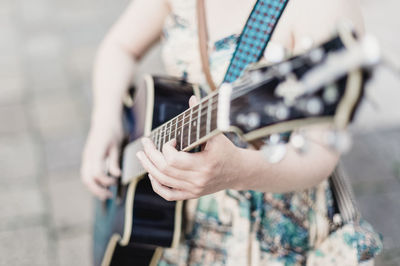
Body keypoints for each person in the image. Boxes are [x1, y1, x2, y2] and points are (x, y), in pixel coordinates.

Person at [81, 0, 381, 264]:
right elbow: (119, 46)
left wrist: (236, 171)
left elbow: (319, 155)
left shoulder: (320, 7)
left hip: (270, 229)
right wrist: (105, 120)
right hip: (170, 219)